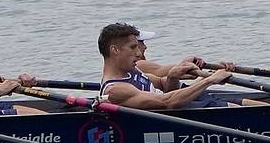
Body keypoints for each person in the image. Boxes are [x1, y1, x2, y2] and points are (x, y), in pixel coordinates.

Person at [97, 23, 239, 109]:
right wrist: (209, 80)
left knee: (244, 104)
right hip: (177, 120)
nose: (139, 53)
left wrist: (173, 76)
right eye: (133, 47)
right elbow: (166, 102)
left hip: (183, 109)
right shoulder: (116, 90)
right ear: (115, 50)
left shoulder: (132, 71)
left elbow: (164, 86)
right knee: (237, 108)